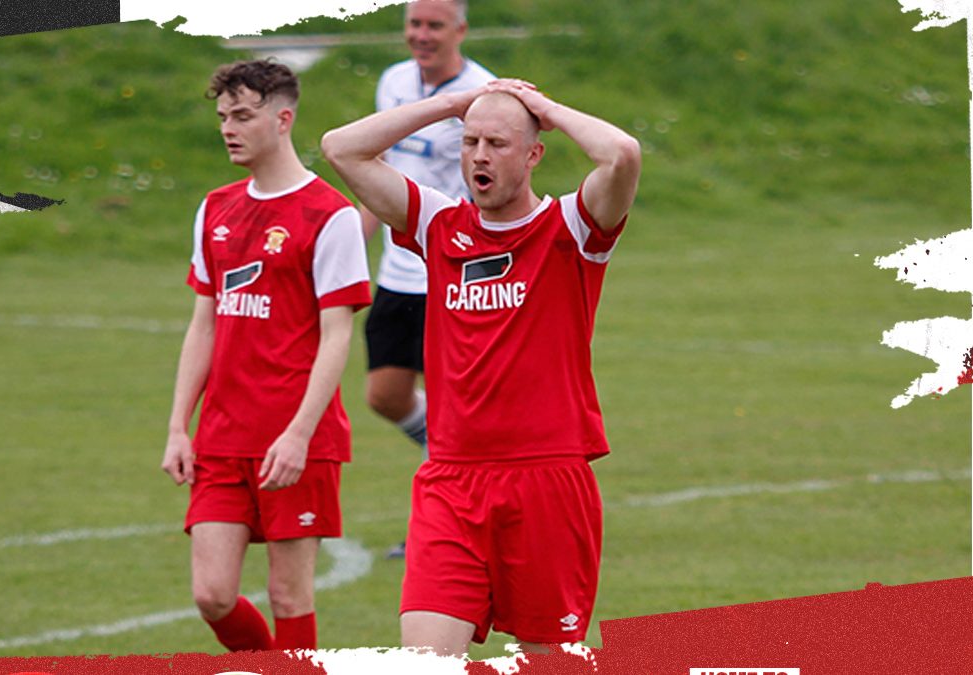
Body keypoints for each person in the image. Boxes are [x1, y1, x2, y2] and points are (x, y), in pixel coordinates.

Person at [321, 79, 641, 654]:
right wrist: (451, 103)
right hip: (451, 481)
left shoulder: (570, 228)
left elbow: (622, 153)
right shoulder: (438, 226)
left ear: (532, 153)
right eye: (470, 143)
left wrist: (544, 108)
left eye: (497, 143)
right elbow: (342, 147)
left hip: (547, 481)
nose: (479, 157)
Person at [161, 59, 371, 653]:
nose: (229, 127)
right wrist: (179, 426)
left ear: (283, 119)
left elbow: (337, 336)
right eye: (224, 116)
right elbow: (203, 324)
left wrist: (300, 434)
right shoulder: (215, 209)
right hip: (223, 436)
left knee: (289, 596)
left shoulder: (329, 216)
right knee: (212, 595)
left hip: (297, 437)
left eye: (244, 116)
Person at [361, 0, 494, 561]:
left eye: (434, 24)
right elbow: (380, 171)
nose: (421, 34)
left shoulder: (484, 94)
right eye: (414, 23)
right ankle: (443, 470)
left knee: (456, 410)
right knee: (385, 395)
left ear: (460, 30)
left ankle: (451, 523)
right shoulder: (393, 82)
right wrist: (349, 245)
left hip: (452, 273)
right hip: (397, 273)